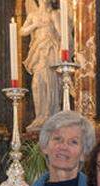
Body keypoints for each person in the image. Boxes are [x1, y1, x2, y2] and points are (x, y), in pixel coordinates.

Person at [20, 0, 63, 128]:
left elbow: (61, 34)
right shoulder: (33, 15)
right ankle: (40, 115)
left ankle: (50, 114)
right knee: (37, 83)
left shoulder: (54, 14)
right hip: (38, 51)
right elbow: (22, 31)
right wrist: (35, 25)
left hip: (50, 50)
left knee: (49, 81)